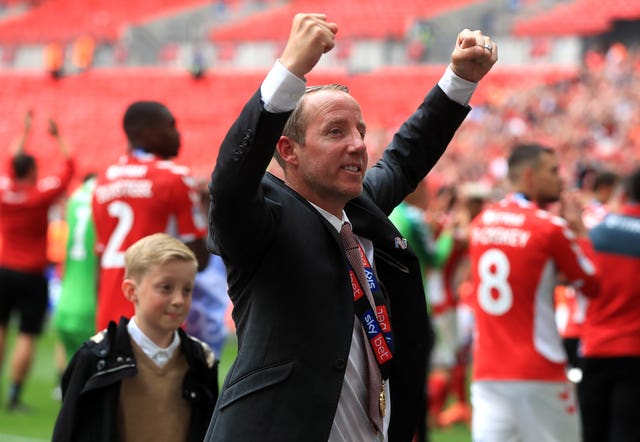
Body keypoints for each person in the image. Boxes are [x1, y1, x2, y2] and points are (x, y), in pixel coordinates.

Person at [205, 13, 497, 441]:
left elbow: (404, 158)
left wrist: (459, 79)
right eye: (336, 132)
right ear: (288, 150)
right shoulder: (264, 225)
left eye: (360, 131)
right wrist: (289, 69)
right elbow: (231, 182)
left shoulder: (358, 209)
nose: (358, 144)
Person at [468, 143, 600, 442]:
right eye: (553, 171)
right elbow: (592, 283)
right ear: (529, 176)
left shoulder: (481, 224)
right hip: (540, 372)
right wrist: (580, 233)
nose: (561, 179)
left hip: (487, 374)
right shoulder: (549, 228)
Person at [52, 233, 219, 442]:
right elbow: (68, 432)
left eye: (187, 290)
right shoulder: (96, 358)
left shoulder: (201, 360)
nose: (179, 299)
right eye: (166, 288)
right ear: (131, 291)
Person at [92, 100, 209, 331]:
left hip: (109, 318)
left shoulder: (104, 180)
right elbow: (199, 259)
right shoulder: (176, 178)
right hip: (156, 318)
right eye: (171, 127)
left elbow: (100, 261)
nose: (177, 135)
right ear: (150, 133)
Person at [0, 110, 75, 411]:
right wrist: (57, 138)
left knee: (1, 328)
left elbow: (10, 158)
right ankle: (14, 395)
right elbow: (69, 167)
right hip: (31, 273)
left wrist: (25, 131)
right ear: (31, 171)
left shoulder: (4, 191)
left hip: (3, 269)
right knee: (27, 336)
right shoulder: (39, 196)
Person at [579, 168, 640, 442]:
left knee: (593, 431)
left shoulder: (597, 233)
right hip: (634, 350)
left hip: (595, 346)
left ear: (624, 194)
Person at [53, 173, 99, 364]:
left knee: (73, 373)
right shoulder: (100, 201)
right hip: (91, 306)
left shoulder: (73, 200)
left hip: (64, 304)